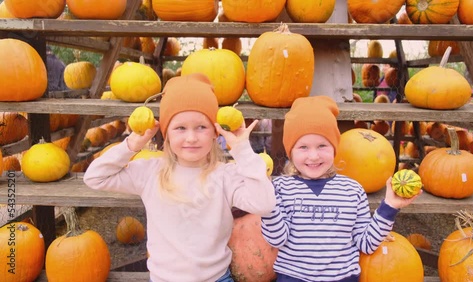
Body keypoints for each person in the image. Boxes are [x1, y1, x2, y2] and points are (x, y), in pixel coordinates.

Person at [84, 73, 276, 282]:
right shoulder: (150, 172)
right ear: (166, 134)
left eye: (201, 127)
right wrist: (132, 145)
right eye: (180, 128)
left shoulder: (225, 175)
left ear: (214, 132)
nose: (191, 137)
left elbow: (264, 204)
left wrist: (243, 150)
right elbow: (95, 178)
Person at [261, 96, 421, 282]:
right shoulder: (280, 188)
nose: (313, 156)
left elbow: (367, 243)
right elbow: (277, 239)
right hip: (294, 278)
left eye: (322, 145)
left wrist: (390, 207)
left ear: (334, 148)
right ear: (291, 151)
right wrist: (267, 203)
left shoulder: (352, 190)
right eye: (303, 147)